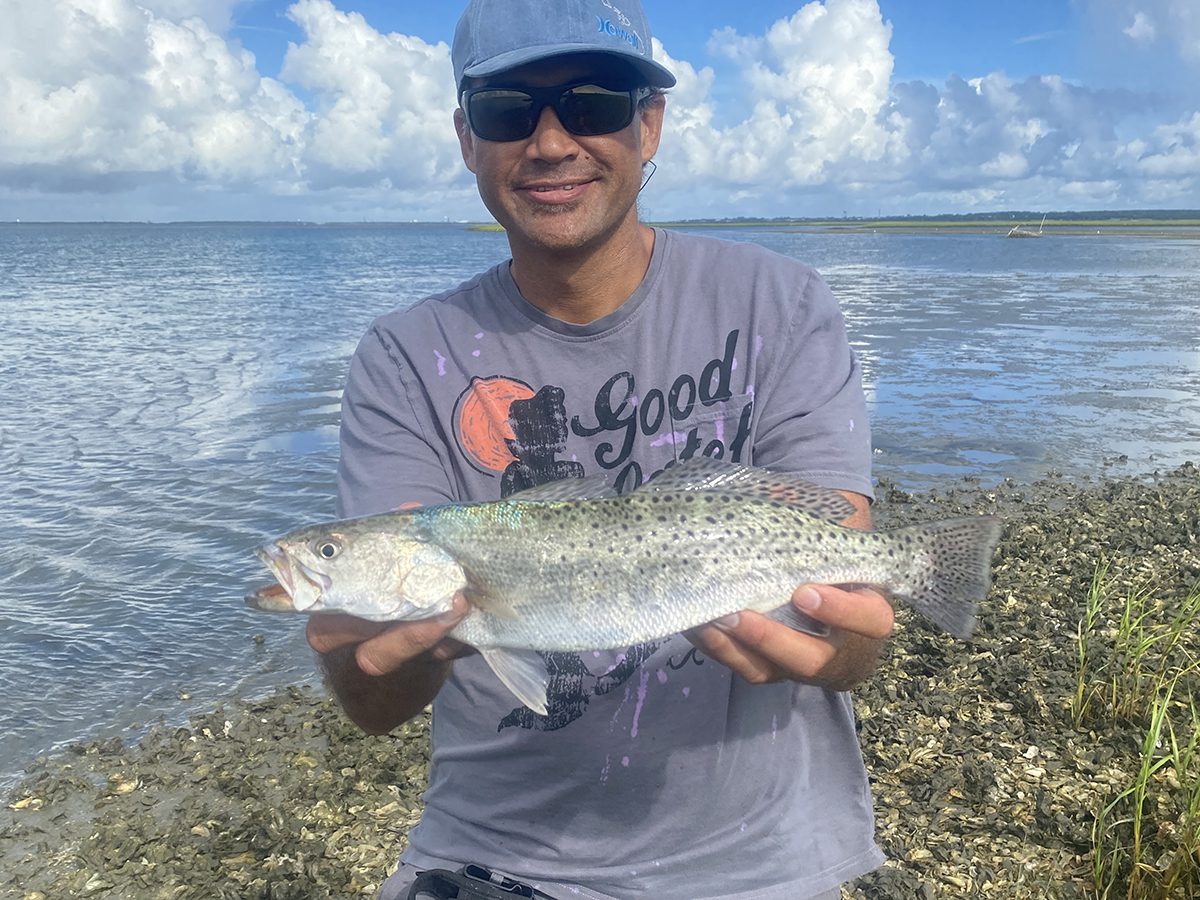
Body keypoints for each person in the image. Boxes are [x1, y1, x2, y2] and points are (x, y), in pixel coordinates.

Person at [308, 1, 895, 897]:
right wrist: (368, 652)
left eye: (592, 102)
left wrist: (847, 644)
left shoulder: (783, 304)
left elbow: (841, 616)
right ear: (467, 137)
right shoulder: (401, 357)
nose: (549, 141)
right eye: (508, 108)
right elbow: (373, 705)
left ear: (649, 121)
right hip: (495, 856)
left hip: (761, 859)